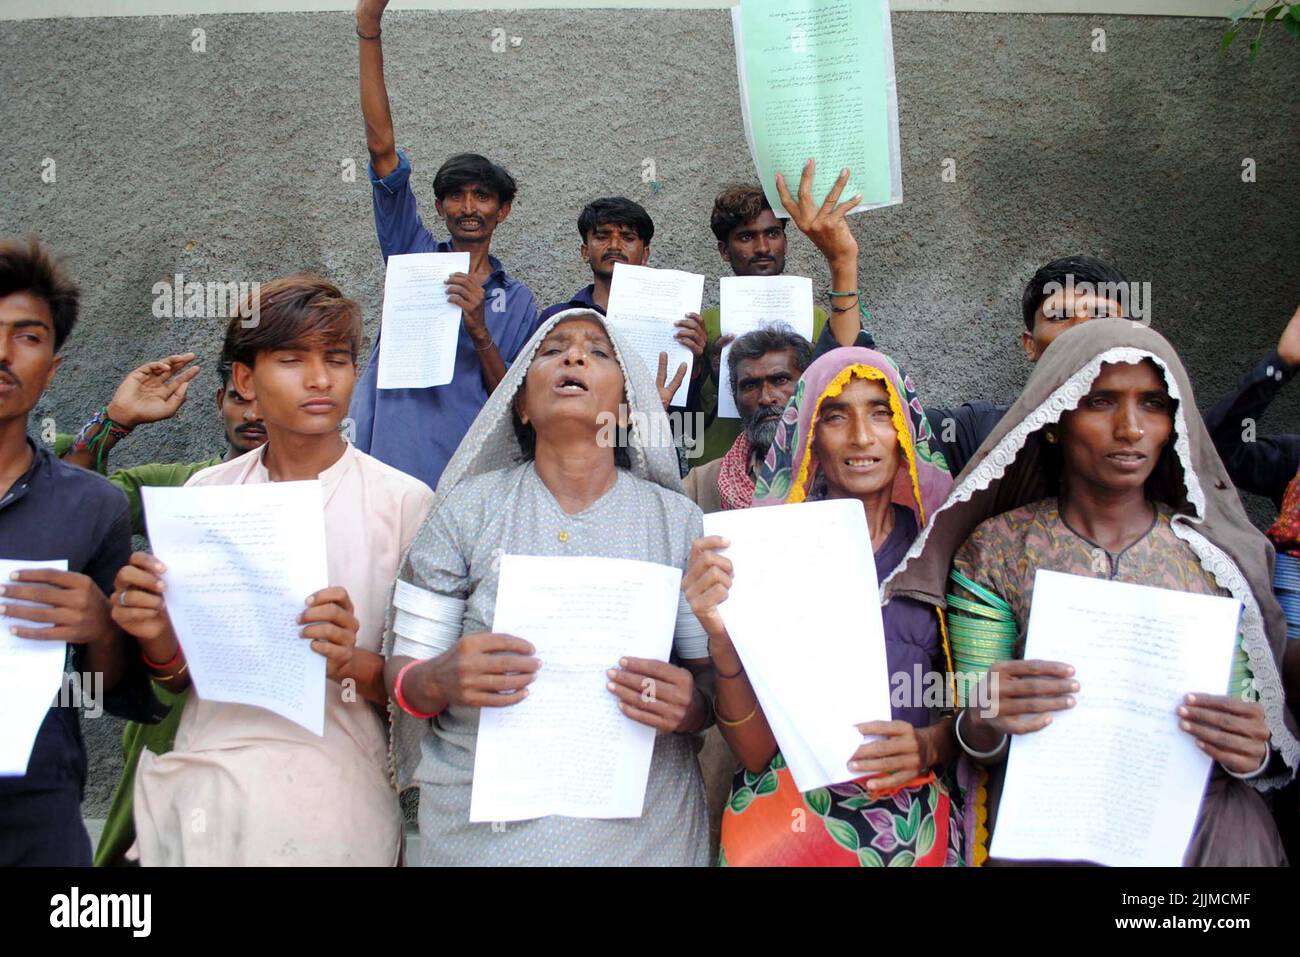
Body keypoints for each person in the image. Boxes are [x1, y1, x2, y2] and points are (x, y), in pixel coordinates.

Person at [884, 320, 1300, 866]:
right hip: (1051, 819)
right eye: (1101, 401)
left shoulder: (1214, 559)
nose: (1130, 428)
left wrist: (1252, 748)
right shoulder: (997, 549)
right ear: (1055, 419)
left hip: (1201, 825)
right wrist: (989, 710)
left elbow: (1255, 722)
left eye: (1152, 404)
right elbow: (975, 732)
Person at [112, 275, 434, 865]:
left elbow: (423, 690)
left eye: (337, 359)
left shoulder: (404, 503)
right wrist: (155, 631)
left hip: (335, 797)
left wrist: (349, 662)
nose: (320, 379)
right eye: (292, 360)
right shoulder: (208, 493)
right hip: (209, 786)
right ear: (245, 380)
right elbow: (180, 678)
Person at [383, 308, 714, 865]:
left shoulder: (675, 522)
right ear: (520, 403)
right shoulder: (466, 509)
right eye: (552, 349)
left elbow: (712, 678)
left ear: (628, 409)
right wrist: (440, 678)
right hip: (482, 834)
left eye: (598, 352)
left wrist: (693, 708)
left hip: (642, 834)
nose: (574, 356)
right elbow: (403, 677)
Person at [683, 347, 963, 866]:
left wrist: (929, 745)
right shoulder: (766, 552)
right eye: (836, 416)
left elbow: (980, 711)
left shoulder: (945, 553)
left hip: (904, 831)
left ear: (905, 432)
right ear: (810, 433)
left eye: (881, 412)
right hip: (781, 834)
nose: (861, 437)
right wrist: (720, 635)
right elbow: (753, 753)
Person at [55, 355, 268, 866]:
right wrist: (115, 421)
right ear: (219, 403)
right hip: (175, 712)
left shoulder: (337, 494)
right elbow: (63, 503)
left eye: (266, 396)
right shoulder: (183, 485)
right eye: (239, 397)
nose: (253, 412)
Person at [0, 237, 160, 865]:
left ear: (54, 366)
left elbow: (101, 689)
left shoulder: (92, 506)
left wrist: (99, 625)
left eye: (28, 336)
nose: (3, 353)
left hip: (34, 810)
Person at [348, 0, 540, 492]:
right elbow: (381, 150)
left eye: (482, 196)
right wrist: (369, 32)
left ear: (504, 209)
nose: (468, 206)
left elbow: (514, 402)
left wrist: (479, 329)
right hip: (385, 465)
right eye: (455, 195)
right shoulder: (410, 256)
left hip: (467, 479)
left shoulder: (516, 299)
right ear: (439, 208)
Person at [820, 254, 1132, 476]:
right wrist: (842, 264)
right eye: (1060, 316)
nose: (1081, 330)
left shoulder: (1166, 435)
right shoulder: (978, 432)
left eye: (1101, 316)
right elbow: (853, 402)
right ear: (1030, 345)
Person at [696, 162, 872, 463]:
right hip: (723, 466)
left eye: (773, 233)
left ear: (785, 240)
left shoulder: (819, 319)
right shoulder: (705, 325)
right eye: (746, 237)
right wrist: (707, 376)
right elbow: (683, 420)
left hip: (804, 465)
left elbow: (852, 381)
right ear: (725, 251)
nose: (763, 247)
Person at [540, 196, 708, 426]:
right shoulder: (558, 319)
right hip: (575, 448)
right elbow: (537, 399)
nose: (615, 246)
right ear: (584, 251)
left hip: (647, 452)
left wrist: (695, 363)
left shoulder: (673, 322)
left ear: (645, 255)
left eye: (628, 238)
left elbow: (686, 427)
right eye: (602, 236)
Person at [682, 324, 812, 513]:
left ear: (808, 386)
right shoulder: (703, 484)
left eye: (780, 380)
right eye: (750, 385)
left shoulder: (838, 470)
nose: (766, 398)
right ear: (736, 398)